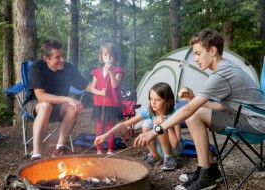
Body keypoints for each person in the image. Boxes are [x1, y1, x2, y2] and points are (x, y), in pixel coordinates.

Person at [134, 28, 265, 190]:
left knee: (193, 115)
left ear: (212, 50)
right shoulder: (226, 68)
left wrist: (155, 130)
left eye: (197, 53)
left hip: (256, 125)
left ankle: (206, 176)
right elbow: (220, 107)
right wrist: (192, 99)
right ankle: (210, 170)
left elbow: (189, 110)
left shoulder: (222, 74)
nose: (195, 59)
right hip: (247, 118)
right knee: (195, 113)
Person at [23, 39, 99, 161]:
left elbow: (86, 85)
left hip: (58, 106)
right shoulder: (37, 67)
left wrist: (100, 92)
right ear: (46, 59)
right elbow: (41, 97)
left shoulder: (68, 68)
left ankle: (59, 148)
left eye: (62, 55)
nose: (62, 60)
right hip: (36, 104)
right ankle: (36, 154)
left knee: (73, 108)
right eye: (57, 57)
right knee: (46, 105)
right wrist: (67, 98)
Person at [95, 82, 184, 171]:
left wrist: (166, 124)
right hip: (160, 147)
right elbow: (125, 124)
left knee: (158, 125)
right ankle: (154, 156)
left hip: (173, 150)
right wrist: (105, 135)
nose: (153, 103)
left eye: (157, 100)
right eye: (151, 99)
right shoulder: (149, 112)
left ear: (167, 100)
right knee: (146, 126)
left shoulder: (175, 114)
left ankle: (169, 159)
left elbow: (175, 144)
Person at [90, 42, 125, 155]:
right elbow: (92, 88)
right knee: (99, 126)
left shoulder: (118, 71)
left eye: (111, 55)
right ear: (102, 56)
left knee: (111, 127)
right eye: (105, 55)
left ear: (115, 57)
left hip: (113, 103)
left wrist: (110, 71)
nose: (108, 57)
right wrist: (100, 92)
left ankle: (110, 149)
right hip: (99, 103)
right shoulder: (96, 72)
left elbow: (115, 85)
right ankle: (99, 149)